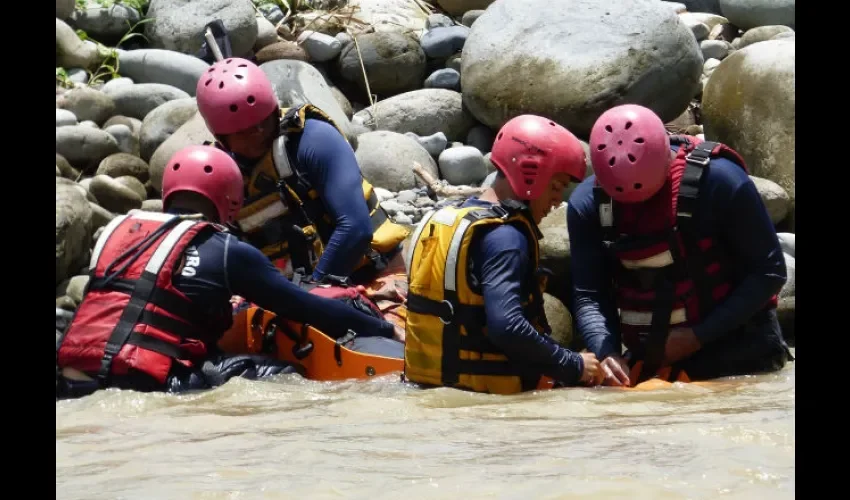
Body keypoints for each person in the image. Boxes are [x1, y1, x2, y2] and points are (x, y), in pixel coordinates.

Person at [56, 145, 402, 399]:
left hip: (73, 379)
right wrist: (382, 327)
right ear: (230, 199)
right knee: (288, 377)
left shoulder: (118, 231)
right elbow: (305, 307)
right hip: (148, 381)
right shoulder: (225, 250)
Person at [566, 104, 793, 388]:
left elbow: (769, 271)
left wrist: (698, 335)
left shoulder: (721, 181)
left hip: (739, 344)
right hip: (655, 355)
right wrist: (606, 351)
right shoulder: (587, 205)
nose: (638, 206)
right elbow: (590, 293)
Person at [403, 115, 602, 395]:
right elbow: (507, 326)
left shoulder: (453, 219)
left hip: (425, 386)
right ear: (529, 173)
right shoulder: (507, 236)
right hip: (483, 399)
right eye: (556, 187)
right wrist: (573, 364)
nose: (558, 200)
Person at [194, 57, 410, 286]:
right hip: (292, 292)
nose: (257, 132)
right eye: (244, 131)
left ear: (274, 110)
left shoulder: (313, 139)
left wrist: (311, 298)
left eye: (262, 121)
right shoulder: (214, 172)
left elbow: (356, 229)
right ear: (221, 137)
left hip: (373, 274)